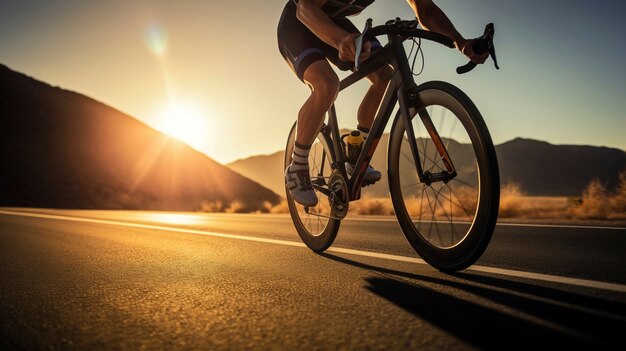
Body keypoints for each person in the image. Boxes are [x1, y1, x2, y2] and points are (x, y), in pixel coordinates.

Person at [278, 0, 488, 207]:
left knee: (384, 74)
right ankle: (297, 167)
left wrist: (460, 42)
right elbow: (305, 7)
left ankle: (355, 152)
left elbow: (426, 9)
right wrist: (341, 41)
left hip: (333, 21)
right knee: (327, 84)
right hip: (298, 25)